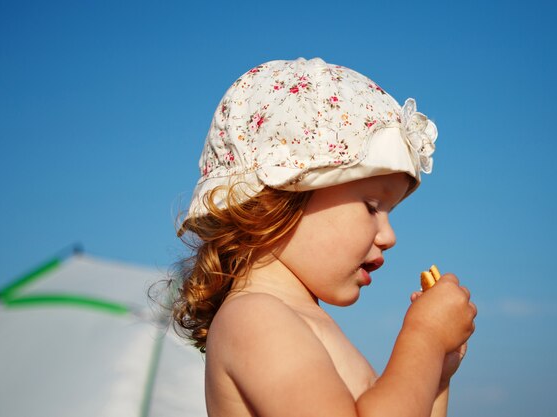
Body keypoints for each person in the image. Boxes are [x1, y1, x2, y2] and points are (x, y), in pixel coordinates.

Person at [170, 58, 477, 417]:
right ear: (281, 200)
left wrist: (436, 374)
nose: (390, 236)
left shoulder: (295, 319)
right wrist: (423, 337)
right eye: (372, 206)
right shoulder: (254, 318)